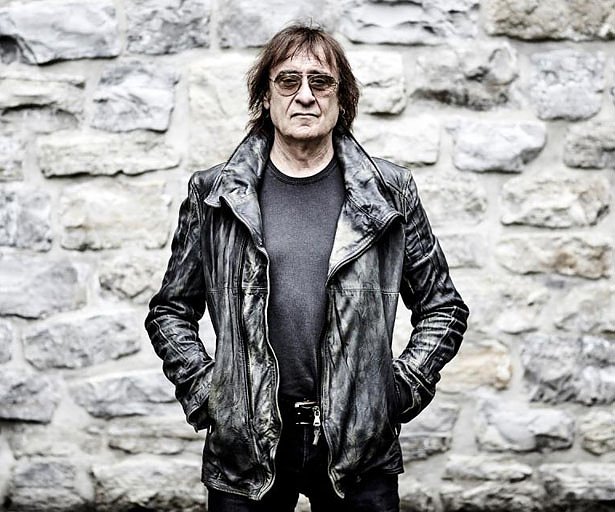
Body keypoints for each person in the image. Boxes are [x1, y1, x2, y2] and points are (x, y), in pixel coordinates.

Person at [145, 23, 469, 512]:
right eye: (288, 81)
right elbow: (170, 311)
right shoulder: (216, 195)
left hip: (359, 450)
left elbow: (443, 308)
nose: (304, 96)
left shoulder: (389, 193)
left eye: (321, 82)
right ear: (266, 96)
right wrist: (210, 392)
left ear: (342, 98)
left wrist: (397, 390)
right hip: (246, 449)